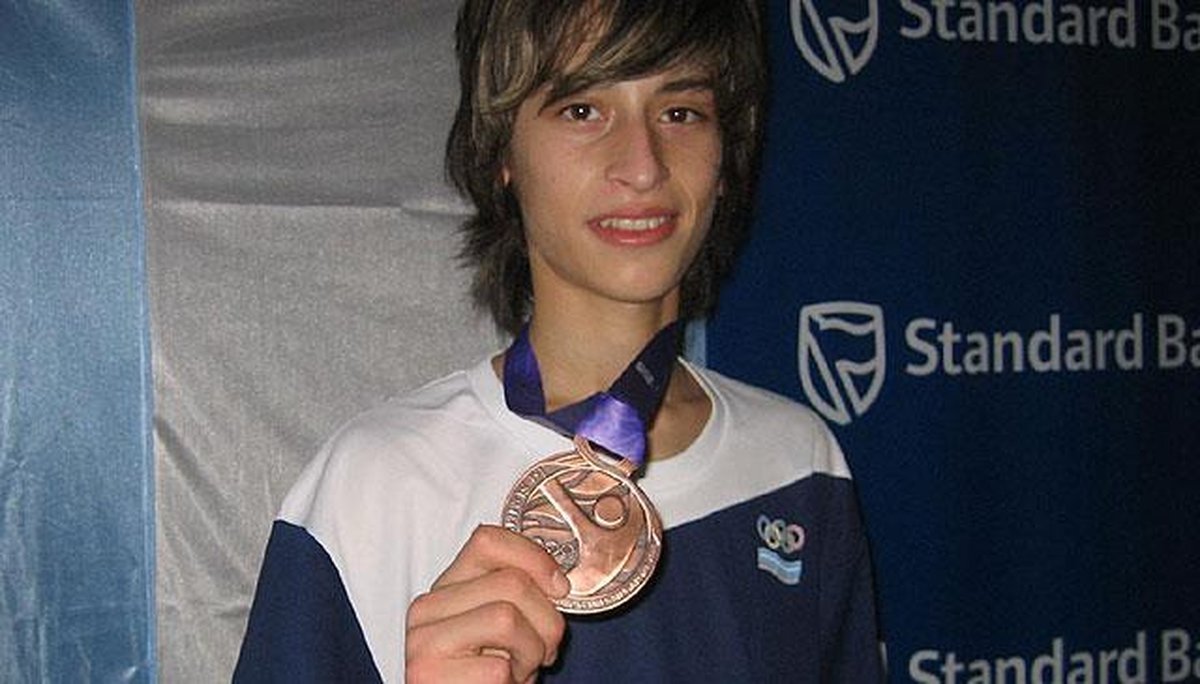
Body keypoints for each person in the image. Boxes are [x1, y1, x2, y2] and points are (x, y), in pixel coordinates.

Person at [235, 1, 884, 682]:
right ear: (500, 153)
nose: (642, 166)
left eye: (680, 112)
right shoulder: (377, 485)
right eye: (583, 110)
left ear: (727, 156)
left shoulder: (797, 462)